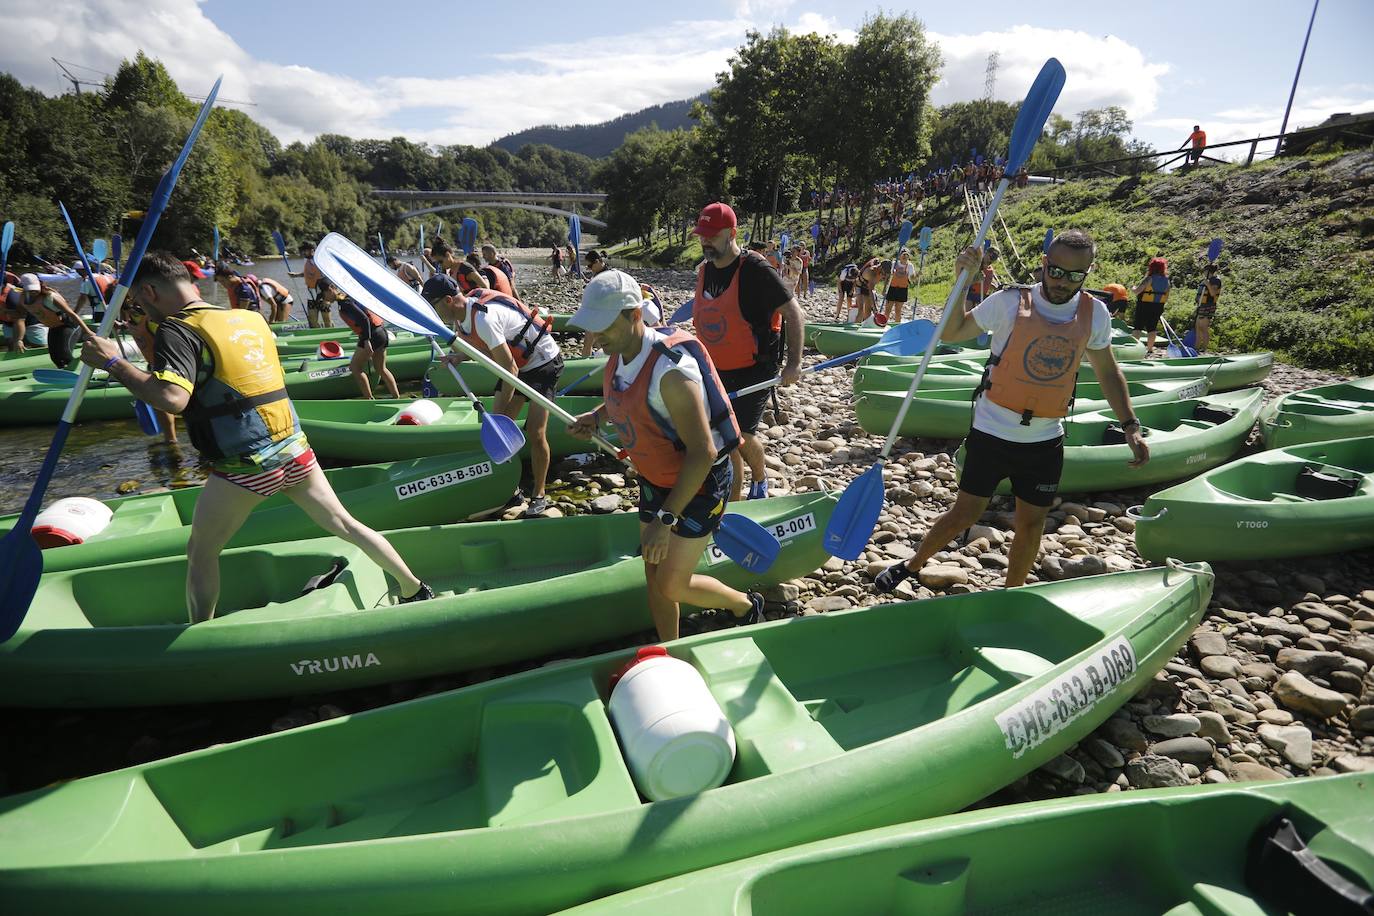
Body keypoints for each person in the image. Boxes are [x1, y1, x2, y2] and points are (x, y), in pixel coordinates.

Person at [77, 252, 432, 621]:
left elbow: (172, 398)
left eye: (138, 301)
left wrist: (114, 364)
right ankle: (414, 588)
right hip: (296, 451)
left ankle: (202, 631)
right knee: (345, 524)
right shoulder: (250, 317)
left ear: (150, 291)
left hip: (245, 465)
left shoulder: (177, 329)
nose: (141, 311)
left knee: (201, 551)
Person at [874, 231, 1150, 593]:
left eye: (1074, 275)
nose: (1061, 282)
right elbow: (952, 332)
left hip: (1044, 440)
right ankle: (912, 564)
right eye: (1055, 271)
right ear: (1043, 263)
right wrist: (964, 279)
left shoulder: (1094, 313)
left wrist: (1130, 425)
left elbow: (1108, 372)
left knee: (1032, 523)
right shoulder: (1009, 302)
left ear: (1089, 272)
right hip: (992, 431)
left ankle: (1011, 594)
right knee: (966, 513)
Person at [566, 270, 795, 640]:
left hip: (700, 484)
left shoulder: (672, 372)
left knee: (672, 584)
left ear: (633, 315)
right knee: (653, 574)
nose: (595, 336)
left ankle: (742, 604)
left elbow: (703, 452)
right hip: (656, 478)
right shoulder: (622, 351)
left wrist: (665, 520)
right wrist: (596, 416)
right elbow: (627, 395)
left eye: (603, 326)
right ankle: (669, 651)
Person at [421, 274, 563, 517]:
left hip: (543, 363)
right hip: (515, 365)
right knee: (499, 433)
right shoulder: (460, 316)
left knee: (534, 431)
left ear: (447, 300)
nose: (434, 314)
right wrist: (458, 357)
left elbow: (510, 370)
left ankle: (539, 495)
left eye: (433, 307)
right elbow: (480, 345)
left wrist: (503, 417)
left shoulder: (483, 318)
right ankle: (513, 490)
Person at [689, 202, 803, 501]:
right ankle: (734, 500)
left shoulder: (755, 269)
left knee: (741, 435)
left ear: (732, 233)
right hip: (715, 369)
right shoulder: (706, 270)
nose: (705, 240)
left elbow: (794, 313)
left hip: (755, 368)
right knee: (726, 438)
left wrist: (794, 364)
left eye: (712, 235)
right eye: (702, 234)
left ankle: (761, 477)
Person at [316, 278, 400, 400]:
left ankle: (369, 400)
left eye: (323, 295)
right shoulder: (347, 295)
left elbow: (364, 319)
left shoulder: (345, 303)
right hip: (381, 332)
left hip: (372, 336)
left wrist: (366, 341)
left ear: (330, 289)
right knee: (381, 368)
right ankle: (396, 397)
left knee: (355, 367)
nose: (324, 299)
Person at [16, 273, 87, 369]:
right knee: (55, 358)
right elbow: (20, 318)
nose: (34, 292)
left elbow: (72, 314)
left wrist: (88, 332)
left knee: (64, 354)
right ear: (23, 288)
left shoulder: (50, 297)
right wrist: (19, 339)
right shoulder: (22, 299)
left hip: (68, 326)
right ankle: (63, 374)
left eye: (35, 290)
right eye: (30, 290)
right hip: (53, 327)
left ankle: (83, 373)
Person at [1133, 256, 1171, 354]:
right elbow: (1166, 297)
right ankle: (1150, 349)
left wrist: (1133, 288)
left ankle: (1134, 348)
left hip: (1144, 305)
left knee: (1138, 327)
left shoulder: (1149, 279)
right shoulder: (1166, 281)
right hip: (1158, 306)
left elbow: (1137, 291)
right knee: (1152, 328)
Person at [288, 243, 328, 328]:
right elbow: (308, 274)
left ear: (312, 250)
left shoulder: (321, 261)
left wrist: (326, 298)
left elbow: (328, 278)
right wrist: (296, 275)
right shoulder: (307, 261)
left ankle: (332, 338)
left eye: (305, 251)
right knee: (312, 321)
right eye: (302, 251)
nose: (303, 253)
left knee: (327, 320)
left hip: (323, 294)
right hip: (311, 294)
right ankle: (317, 337)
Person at [1193, 265, 1222, 351]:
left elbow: (1213, 293)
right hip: (1202, 305)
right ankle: (1196, 348)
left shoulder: (1216, 280)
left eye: (1205, 271)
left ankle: (1204, 348)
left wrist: (1207, 283)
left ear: (1208, 271)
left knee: (1204, 327)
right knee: (1197, 326)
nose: (1204, 272)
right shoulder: (1208, 280)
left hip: (1209, 305)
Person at [856, 257, 890, 324]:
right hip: (860, 286)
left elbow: (888, 278)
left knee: (868, 311)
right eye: (884, 272)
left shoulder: (886, 271)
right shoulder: (871, 272)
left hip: (868, 287)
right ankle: (855, 327)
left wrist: (884, 290)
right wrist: (875, 309)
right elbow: (870, 291)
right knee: (861, 310)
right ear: (880, 267)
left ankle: (865, 326)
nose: (885, 274)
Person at [884, 248, 914, 323]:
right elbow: (888, 276)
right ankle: (883, 324)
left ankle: (897, 326)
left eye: (907, 255)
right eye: (903, 255)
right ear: (900, 255)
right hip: (892, 288)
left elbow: (912, 278)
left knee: (898, 310)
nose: (905, 257)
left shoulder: (910, 266)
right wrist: (884, 288)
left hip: (902, 290)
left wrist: (917, 275)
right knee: (887, 309)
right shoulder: (894, 263)